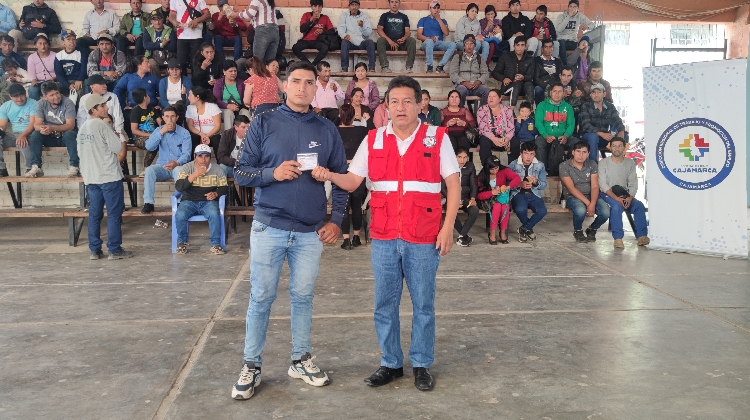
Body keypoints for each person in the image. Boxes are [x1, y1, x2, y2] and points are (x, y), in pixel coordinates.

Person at [310, 75, 461, 392]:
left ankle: (421, 363)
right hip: (384, 236)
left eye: (407, 101)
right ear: (386, 107)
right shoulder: (373, 139)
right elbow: (353, 181)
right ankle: (391, 363)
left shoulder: (436, 137)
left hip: (424, 237)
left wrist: (448, 227)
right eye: (394, 101)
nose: (400, 107)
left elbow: (453, 183)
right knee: (384, 305)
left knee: (423, 305)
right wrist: (329, 175)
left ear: (419, 104)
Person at [231, 60, 348, 400]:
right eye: (295, 81)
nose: (302, 87)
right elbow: (241, 172)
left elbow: (342, 178)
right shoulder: (263, 122)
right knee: (261, 297)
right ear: (284, 86)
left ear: (315, 88)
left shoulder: (326, 129)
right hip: (269, 227)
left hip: (310, 233)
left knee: (303, 296)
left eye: (309, 82)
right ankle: (251, 365)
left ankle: (300, 359)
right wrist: (273, 174)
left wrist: (337, 220)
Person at [76, 94, 132, 260]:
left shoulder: (83, 128)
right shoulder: (102, 125)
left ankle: (95, 250)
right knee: (114, 214)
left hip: (91, 177)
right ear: (94, 109)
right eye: (102, 106)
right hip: (108, 176)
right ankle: (114, 249)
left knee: (95, 214)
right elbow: (117, 147)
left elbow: (80, 153)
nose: (107, 108)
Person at [174, 144, 229, 255]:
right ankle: (182, 243)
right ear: (195, 156)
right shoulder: (187, 168)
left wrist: (216, 193)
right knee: (180, 214)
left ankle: (216, 245)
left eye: (206, 156)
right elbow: (179, 187)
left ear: (210, 157)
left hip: (208, 202)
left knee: (214, 214)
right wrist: (195, 174)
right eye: (200, 156)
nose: (203, 160)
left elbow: (224, 188)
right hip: (189, 201)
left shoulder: (217, 169)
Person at [598, 136, 649, 248]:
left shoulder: (630, 163)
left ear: (624, 147)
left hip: (624, 193)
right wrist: (617, 199)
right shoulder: (603, 163)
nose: (617, 148)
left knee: (639, 206)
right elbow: (603, 185)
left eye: (619, 146)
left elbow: (633, 183)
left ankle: (642, 236)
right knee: (616, 207)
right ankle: (618, 239)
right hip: (607, 193)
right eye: (614, 146)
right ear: (610, 147)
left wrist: (630, 197)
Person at [140, 106, 192, 214]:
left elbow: (187, 154)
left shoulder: (184, 133)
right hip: (162, 166)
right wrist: (161, 132)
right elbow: (149, 147)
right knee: (149, 170)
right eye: (167, 116)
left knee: (179, 171)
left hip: (178, 166)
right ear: (163, 118)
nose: (170, 119)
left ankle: (179, 201)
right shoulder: (158, 130)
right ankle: (148, 203)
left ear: (177, 117)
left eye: (172, 116)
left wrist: (177, 163)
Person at [26, 82, 78, 178]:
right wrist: (43, 128)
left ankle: (74, 166)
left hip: (65, 137)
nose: (56, 97)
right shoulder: (41, 103)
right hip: (50, 136)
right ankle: (36, 166)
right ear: (45, 97)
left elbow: (70, 125)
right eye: (52, 95)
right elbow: (36, 124)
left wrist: (52, 128)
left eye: (57, 93)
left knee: (70, 134)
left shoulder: (68, 102)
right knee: (35, 135)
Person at [560, 141, 609, 242]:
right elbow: (571, 188)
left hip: (591, 194)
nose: (581, 155)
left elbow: (595, 186)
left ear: (588, 154)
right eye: (578, 151)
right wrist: (588, 204)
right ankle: (578, 231)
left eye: (584, 152)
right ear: (573, 152)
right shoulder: (564, 166)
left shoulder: (592, 164)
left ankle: (592, 229)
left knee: (605, 213)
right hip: (572, 196)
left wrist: (592, 203)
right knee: (580, 211)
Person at [336, 104, 369, 250]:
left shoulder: (334, 131)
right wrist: (367, 119)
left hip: (341, 169)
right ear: (354, 116)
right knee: (356, 205)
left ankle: (346, 240)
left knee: (343, 205)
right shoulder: (362, 130)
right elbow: (372, 131)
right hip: (357, 170)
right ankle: (356, 237)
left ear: (339, 115)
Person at [534, 82, 580, 168]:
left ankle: (570, 169)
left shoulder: (568, 107)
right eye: (555, 91)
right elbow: (538, 123)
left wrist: (566, 136)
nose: (557, 94)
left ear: (563, 93)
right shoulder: (542, 105)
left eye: (560, 91)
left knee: (577, 144)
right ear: (550, 92)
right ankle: (542, 170)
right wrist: (546, 135)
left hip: (563, 137)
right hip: (546, 136)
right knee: (539, 143)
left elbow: (571, 124)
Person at [508, 141, 547, 242]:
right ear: (521, 153)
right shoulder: (513, 165)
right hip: (518, 194)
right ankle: (528, 230)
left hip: (534, 194)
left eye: (531, 154)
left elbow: (544, 185)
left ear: (535, 154)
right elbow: (507, 184)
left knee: (542, 211)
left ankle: (524, 229)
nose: (528, 157)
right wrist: (519, 184)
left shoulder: (540, 165)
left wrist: (536, 182)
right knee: (520, 209)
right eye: (526, 153)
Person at [477, 155, 520, 244]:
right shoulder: (482, 176)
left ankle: (502, 232)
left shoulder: (503, 171)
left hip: (501, 198)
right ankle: (492, 232)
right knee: (497, 206)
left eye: (496, 168)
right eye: (492, 169)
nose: (495, 171)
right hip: (486, 199)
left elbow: (517, 178)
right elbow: (479, 195)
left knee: (505, 206)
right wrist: (491, 193)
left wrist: (508, 187)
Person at [579, 83, 625, 161]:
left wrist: (621, 133)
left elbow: (617, 121)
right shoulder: (586, 106)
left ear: (604, 94)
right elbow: (586, 126)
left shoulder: (610, 106)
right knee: (593, 137)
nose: (596, 95)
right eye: (593, 92)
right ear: (590, 95)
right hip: (588, 137)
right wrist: (601, 134)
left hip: (604, 137)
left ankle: (619, 162)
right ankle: (593, 165)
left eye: (599, 92)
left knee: (624, 136)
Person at [0, 84, 35, 177]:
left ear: (25, 93)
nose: (20, 99)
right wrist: (0, 131)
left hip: (29, 133)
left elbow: (33, 123)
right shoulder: (5, 106)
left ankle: (30, 168)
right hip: (13, 135)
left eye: (22, 95)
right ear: (10, 96)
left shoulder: (33, 103)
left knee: (22, 141)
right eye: (16, 96)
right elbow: (2, 124)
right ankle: (1, 169)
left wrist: (23, 135)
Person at [77, 74, 125, 141]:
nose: (105, 86)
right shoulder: (84, 99)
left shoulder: (113, 96)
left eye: (105, 83)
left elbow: (118, 117)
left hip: (110, 132)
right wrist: (84, 134)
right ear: (92, 86)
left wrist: (118, 133)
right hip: (91, 133)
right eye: (101, 84)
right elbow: (81, 119)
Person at [169, 0, 210, 74]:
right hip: (181, 36)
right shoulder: (174, 0)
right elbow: (172, 15)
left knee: (196, 63)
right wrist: (174, 22)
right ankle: (184, 81)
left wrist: (197, 20)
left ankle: (196, 81)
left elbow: (207, 14)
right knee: (181, 64)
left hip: (196, 36)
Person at [491, 36, 534, 106]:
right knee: (516, 85)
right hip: (508, 87)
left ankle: (529, 109)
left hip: (523, 87)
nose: (520, 48)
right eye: (518, 45)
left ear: (525, 47)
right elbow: (495, 72)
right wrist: (504, 78)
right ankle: (511, 109)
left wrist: (523, 77)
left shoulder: (529, 58)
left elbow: (531, 76)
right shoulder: (506, 56)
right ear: (514, 46)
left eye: (522, 45)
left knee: (529, 85)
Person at [449, 34, 490, 108]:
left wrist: (479, 81)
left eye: (471, 43)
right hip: (462, 85)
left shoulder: (479, 57)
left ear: (475, 45)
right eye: (467, 43)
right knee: (460, 91)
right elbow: (453, 74)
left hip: (476, 86)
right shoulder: (457, 57)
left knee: (487, 91)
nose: (469, 46)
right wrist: (463, 82)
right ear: (464, 45)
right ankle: (461, 112)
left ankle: (482, 112)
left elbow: (485, 73)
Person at [476, 88, 514, 165]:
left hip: (503, 137)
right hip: (489, 137)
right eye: (489, 96)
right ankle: (488, 168)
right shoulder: (482, 110)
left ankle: (512, 168)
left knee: (515, 142)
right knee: (484, 141)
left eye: (494, 96)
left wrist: (507, 138)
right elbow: (483, 128)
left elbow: (511, 127)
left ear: (500, 98)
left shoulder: (507, 110)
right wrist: (493, 138)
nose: (491, 98)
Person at [376, 0, 416, 73]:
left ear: (399, 3)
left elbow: (407, 32)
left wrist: (404, 38)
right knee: (380, 41)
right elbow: (379, 30)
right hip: (388, 43)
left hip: (401, 43)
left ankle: (409, 67)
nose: (394, 4)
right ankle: (385, 67)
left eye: (396, 2)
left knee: (412, 40)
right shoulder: (384, 16)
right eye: (392, 2)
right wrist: (389, 41)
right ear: (389, 3)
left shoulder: (404, 16)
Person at [449, 147, 478, 246]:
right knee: (451, 211)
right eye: (459, 157)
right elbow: (444, 187)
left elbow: (473, 184)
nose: (462, 160)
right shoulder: (449, 166)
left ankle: (462, 235)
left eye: (465, 157)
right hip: (451, 197)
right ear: (455, 157)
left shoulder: (470, 166)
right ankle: (464, 237)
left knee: (474, 210)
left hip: (465, 197)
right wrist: (454, 200)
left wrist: (473, 198)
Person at [417, 1, 456, 74]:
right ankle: (430, 67)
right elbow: (418, 35)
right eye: (434, 8)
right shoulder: (423, 20)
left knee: (453, 45)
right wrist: (429, 39)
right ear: (430, 9)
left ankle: (440, 66)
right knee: (429, 42)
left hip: (438, 43)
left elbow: (446, 33)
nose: (436, 10)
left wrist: (439, 19)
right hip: (426, 43)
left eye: (438, 8)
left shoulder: (443, 21)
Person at [337, 0, 375, 73]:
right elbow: (340, 29)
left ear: (359, 6)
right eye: (352, 5)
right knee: (344, 43)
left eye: (356, 5)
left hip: (361, 42)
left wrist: (363, 26)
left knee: (370, 42)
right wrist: (345, 36)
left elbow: (368, 33)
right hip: (350, 41)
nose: (354, 7)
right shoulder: (344, 16)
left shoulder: (364, 17)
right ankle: (344, 68)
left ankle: (372, 68)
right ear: (349, 6)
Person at [292, 0, 333, 67]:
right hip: (306, 40)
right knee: (295, 47)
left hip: (317, 41)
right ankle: (308, 64)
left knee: (325, 48)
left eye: (319, 6)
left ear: (322, 7)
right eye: (315, 6)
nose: (317, 8)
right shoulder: (306, 15)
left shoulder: (325, 17)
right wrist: (311, 19)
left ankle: (313, 65)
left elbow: (332, 31)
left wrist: (322, 31)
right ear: (311, 7)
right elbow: (302, 30)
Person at [129, 87, 161, 170]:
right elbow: (134, 130)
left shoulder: (152, 108)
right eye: (147, 95)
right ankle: (146, 168)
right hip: (140, 138)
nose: (149, 97)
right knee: (153, 144)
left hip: (153, 136)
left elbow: (160, 123)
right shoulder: (135, 111)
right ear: (144, 97)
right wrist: (150, 135)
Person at [214, 60, 250, 130]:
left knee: (245, 112)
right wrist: (227, 106)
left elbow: (245, 99)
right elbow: (216, 100)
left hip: (239, 108)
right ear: (224, 71)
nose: (233, 73)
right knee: (228, 113)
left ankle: (246, 135)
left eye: (235, 71)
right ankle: (228, 135)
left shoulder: (241, 83)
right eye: (230, 71)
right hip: (224, 109)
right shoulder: (219, 83)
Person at [555, 0, 592, 65]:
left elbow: (593, 25)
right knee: (561, 43)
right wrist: (568, 17)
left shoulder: (580, 16)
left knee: (588, 45)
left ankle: (584, 65)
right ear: (568, 8)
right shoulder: (561, 16)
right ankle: (565, 65)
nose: (572, 9)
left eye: (574, 7)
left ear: (577, 8)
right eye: (570, 7)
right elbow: (559, 30)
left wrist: (587, 27)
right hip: (562, 40)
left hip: (573, 41)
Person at [186, 86, 222, 152]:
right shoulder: (189, 108)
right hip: (198, 135)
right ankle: (193, 158)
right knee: (193, 138)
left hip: (212, 135)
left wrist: (207, 136)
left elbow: (217, 126)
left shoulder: (212, 107)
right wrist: (202, 135)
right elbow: (191, 126)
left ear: (197, 97)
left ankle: (220, 158)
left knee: (216, 139)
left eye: (190, 95)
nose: (188, 97)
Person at [54, 30, 86, 98]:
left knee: (79, 90)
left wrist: (80, 79)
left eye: (73, 39)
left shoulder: (81, 52)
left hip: (77, 81)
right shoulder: (59, 55)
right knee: (51, 88)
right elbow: (59, 75)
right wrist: (68, 85)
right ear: (63, 42)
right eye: (68, 39)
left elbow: (84, 69)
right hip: (65, 82)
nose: (72, 41)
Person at [143, 10, 176, 77]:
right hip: (152, 56)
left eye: (159, 19)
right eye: (154, 20)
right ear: (151, 21)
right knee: (151, 64)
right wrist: (162, 44)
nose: (157, 22)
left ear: (162, 19)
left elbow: (172, 46)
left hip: (168, 56)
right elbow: (146, 45)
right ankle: (157, 81)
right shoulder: (147, 30)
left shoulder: (169, 30)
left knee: (174, 65)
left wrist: (154, 45)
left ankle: (168, 82)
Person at [216, 114, 250, 178]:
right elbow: (221, 156)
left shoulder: (253, 134)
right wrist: (237, 162)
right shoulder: (227, 135)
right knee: (222, 168)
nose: (247, 129)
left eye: (248, 127)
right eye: (243, 127)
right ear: (236, 127)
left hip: (249, 168)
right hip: (233, 166)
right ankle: (226, 185)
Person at [25, 34, 56, 101]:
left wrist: (55, 77)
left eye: (45, 43)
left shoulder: (55, 56)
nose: (43, 46)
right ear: (35, 45)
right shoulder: (32, 57)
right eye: (40, 43)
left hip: (52, 81)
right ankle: (36, 106)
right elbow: (31, 72)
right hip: (39, 82)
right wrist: (33, 80)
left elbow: (59, 70)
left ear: (48, 45)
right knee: (32, 89)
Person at [533, 38, 562, 104]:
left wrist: (553, 86)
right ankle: (539, 108)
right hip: (542, 85)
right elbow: (536, 78)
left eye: (550, 47)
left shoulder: (558, 61)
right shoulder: (536, 60)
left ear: (553, 48)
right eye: (546, 47)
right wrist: (547, 87)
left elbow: (560, 75)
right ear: (542, 49)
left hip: (554, 85)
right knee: (537, 89)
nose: (548, 49)